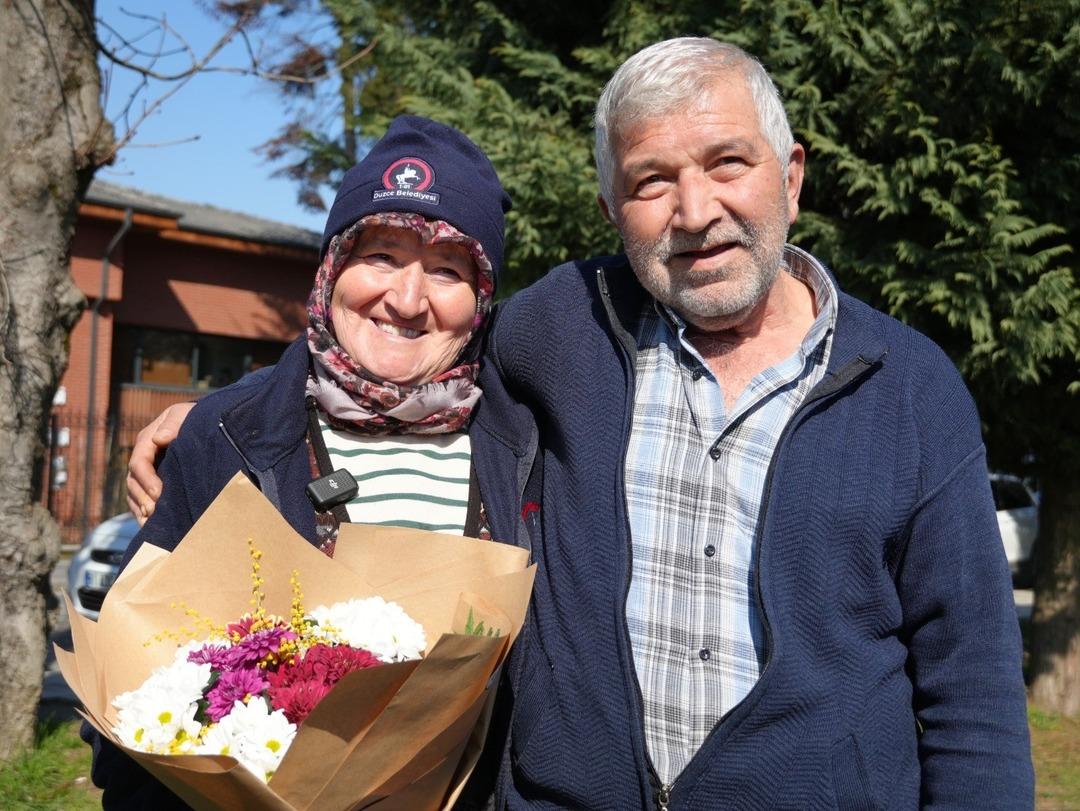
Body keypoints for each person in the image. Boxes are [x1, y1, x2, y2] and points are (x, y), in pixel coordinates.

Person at [129, 39, 1034, 810]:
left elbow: (973, 695)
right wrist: (216, 412)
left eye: (728, 163)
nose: (695, 211)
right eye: (651, 181)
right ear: (613, 211)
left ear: (790, 176)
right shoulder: (563, 327)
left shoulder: (912, 387)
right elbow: (399, 348)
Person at [85, 114, 512, 808]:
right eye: (379, 256)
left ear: (482, 298)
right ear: (332, 268)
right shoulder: (224, 437)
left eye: (446, 268)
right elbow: (133, 690)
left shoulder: (525, 446)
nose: (406, 299)